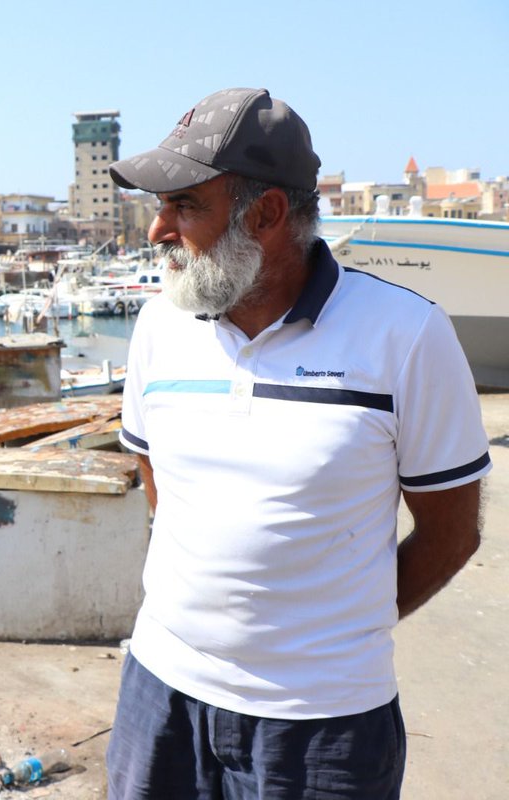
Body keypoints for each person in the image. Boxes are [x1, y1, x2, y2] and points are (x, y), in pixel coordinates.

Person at [103, 88, 490, 798]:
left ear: (268, 214)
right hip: (158, 696)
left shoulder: (407, 337)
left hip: (325, 727)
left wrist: (327, 632)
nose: (159, 231)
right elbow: (162, 486)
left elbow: (452, 531)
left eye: (185, 206)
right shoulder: (161, 326)